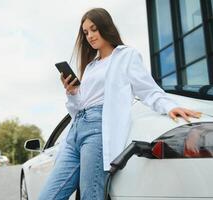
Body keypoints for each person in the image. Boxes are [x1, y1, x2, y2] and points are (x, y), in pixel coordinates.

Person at [38, 8, 202, 200]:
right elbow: (80, 107)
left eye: (93, 29)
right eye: (86, 33)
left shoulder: (126, 56)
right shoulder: (91, 66)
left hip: (97, 130)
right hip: (76, 131)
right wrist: (73, 93)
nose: (90, 36)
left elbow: (148, 90)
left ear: (105, 27)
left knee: (90, 195)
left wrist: (170, 106)